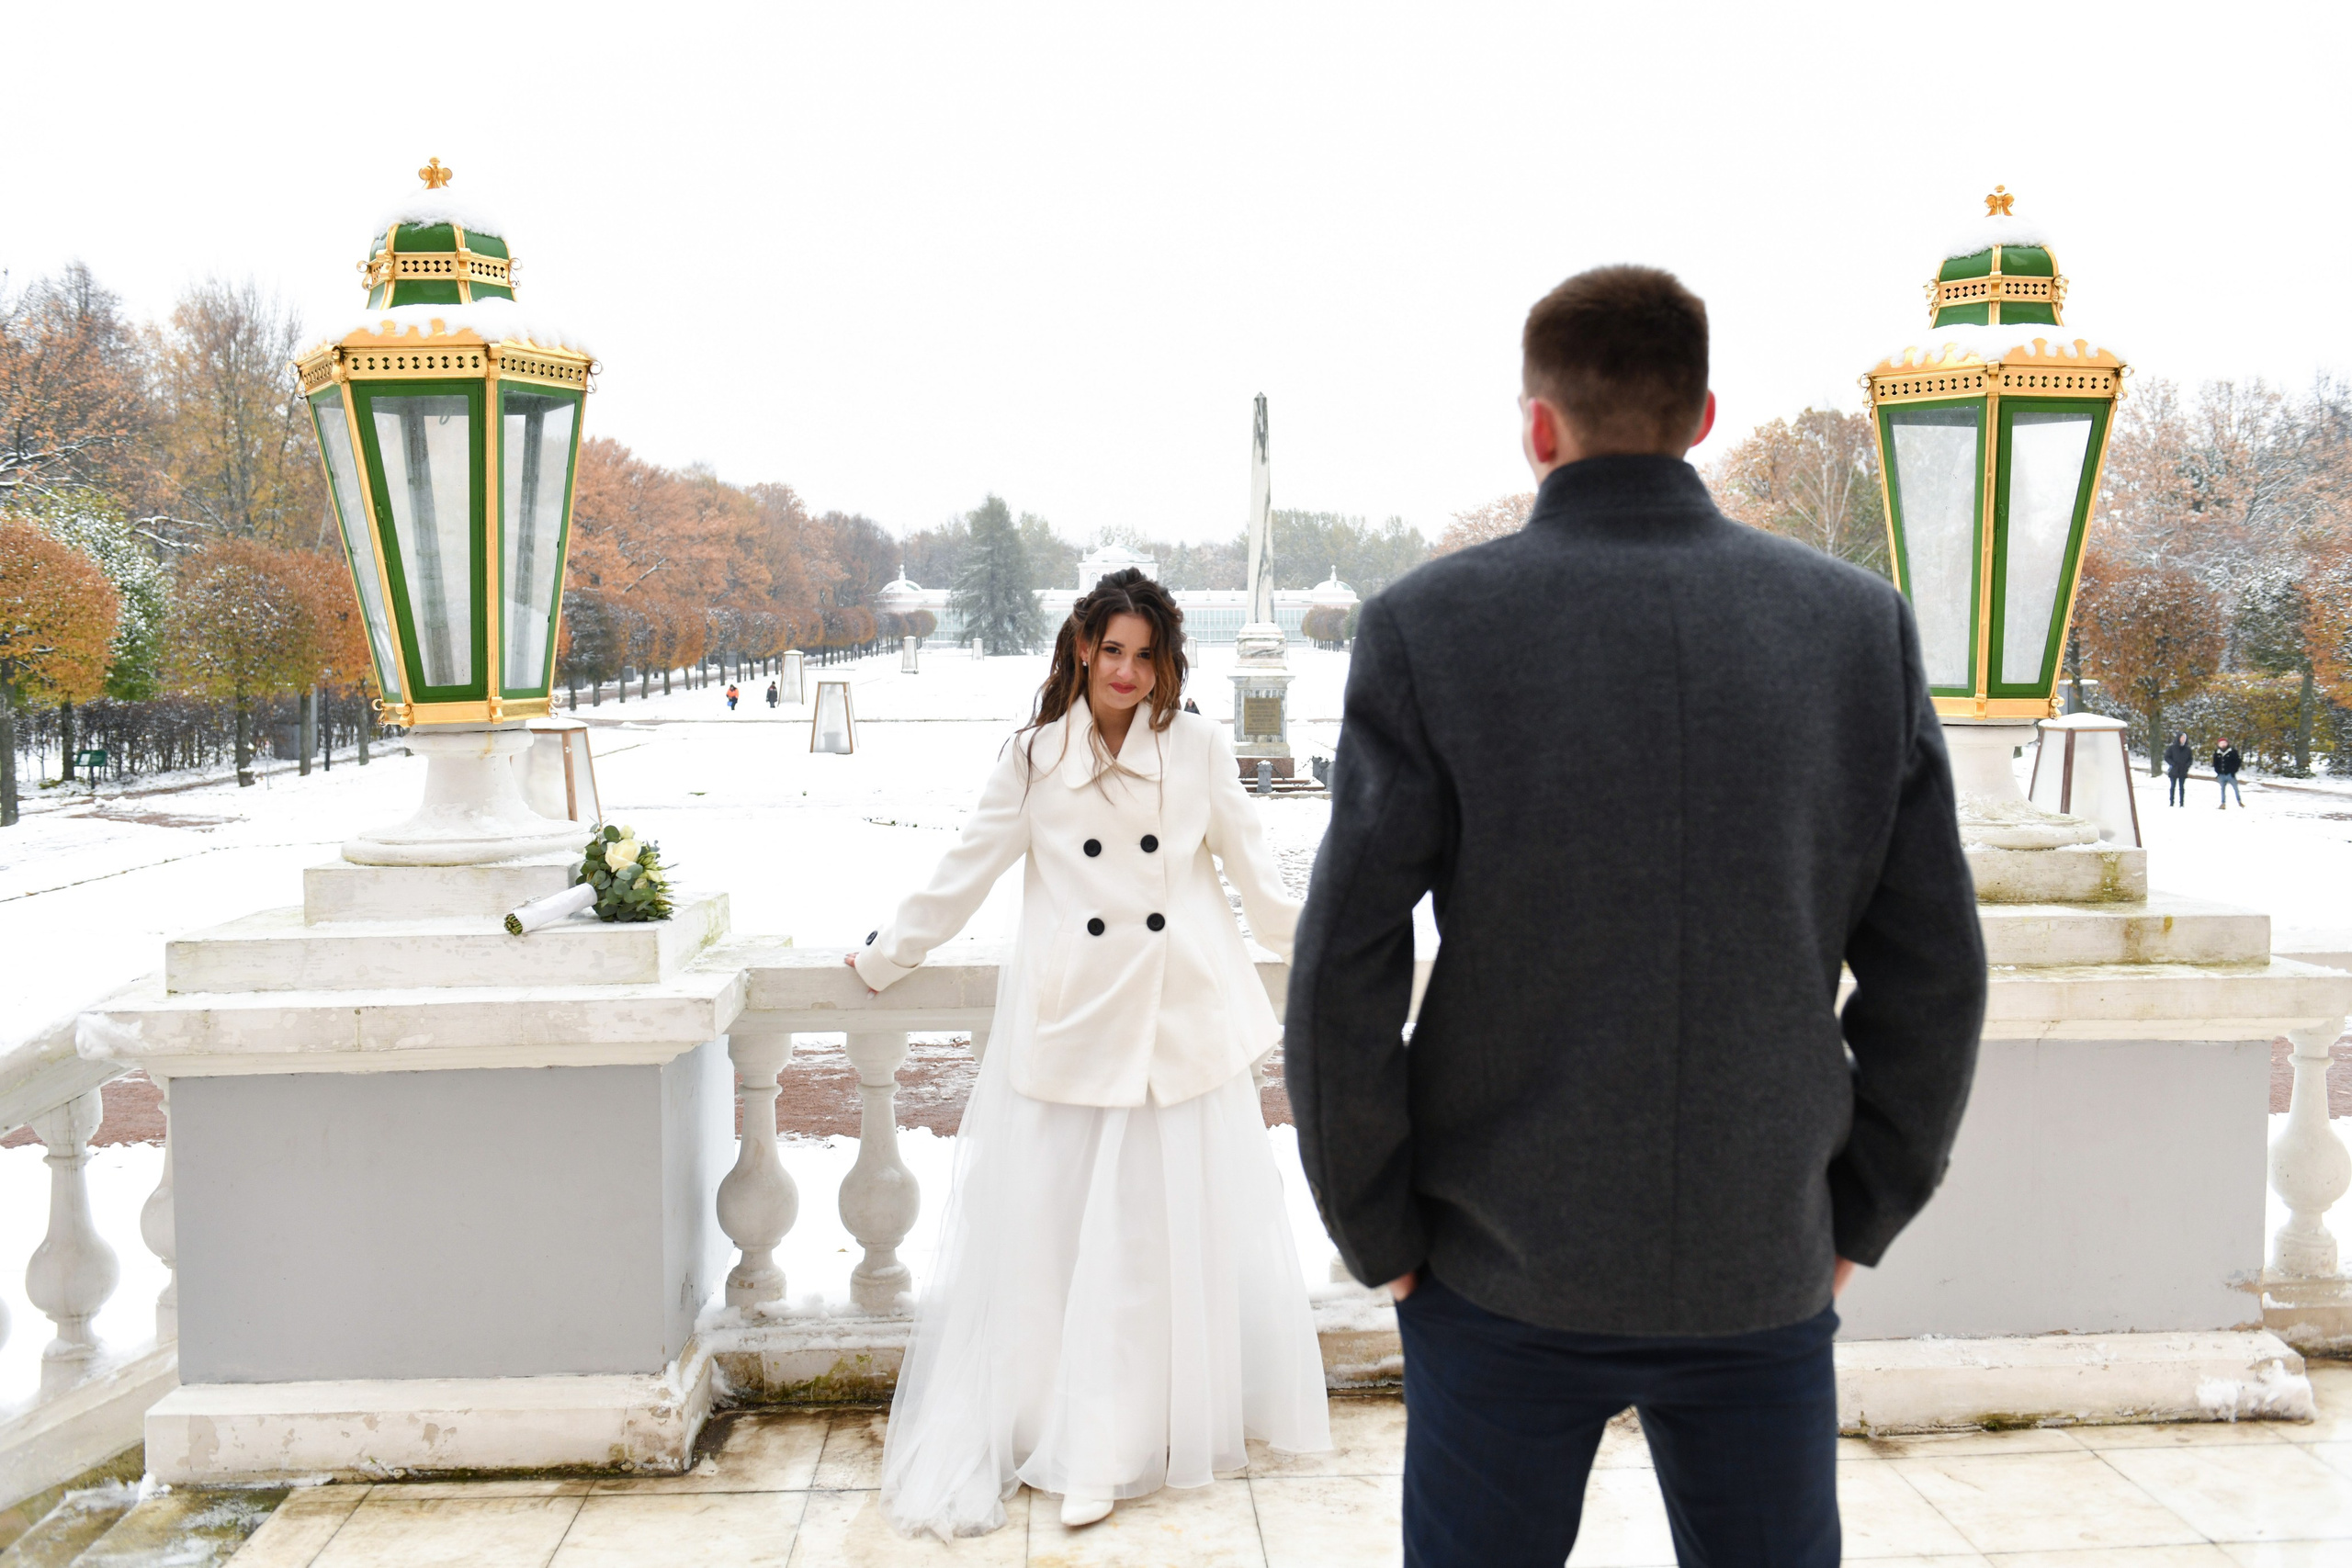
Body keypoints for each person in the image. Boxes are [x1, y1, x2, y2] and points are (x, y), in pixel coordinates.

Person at [1286, 265, 1985, 1568]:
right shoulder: (1855, 628)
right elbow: (1936, 972)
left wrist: (1378, 1229)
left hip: (1497, 1259)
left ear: (1538, 426)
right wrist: (1857, 1212)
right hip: (1760, 1253)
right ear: (1705, 413)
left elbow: (1343, 970)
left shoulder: (1430, 625)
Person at [849, 569, 1330, 1539]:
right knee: (1064, 1245)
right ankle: (1068, 1435)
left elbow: (1253, 871)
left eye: (1145, 655)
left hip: (1174, 1033)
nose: (1126, 670)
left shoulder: (1197, 747)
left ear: (1166, 663)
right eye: (1111, 650)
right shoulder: (1031, 760)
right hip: (1074, 1028)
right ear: (1080, 648)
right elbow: (964, 871)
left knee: (1154, 1247)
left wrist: (1331, 948)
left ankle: (1121, 1439)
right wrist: (886, 954)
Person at [2164, 731, 2193, 807]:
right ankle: (2172, 802)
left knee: (2182, 787)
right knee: (2173, 786)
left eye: (2184, 738)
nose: (2183, 739)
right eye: (2182, 738)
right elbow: (2167, 757)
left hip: (2183, 770)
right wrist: (2172, 764)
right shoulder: (2172, 748)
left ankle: (2181, 803)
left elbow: (2190, 759)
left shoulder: (2188, 749)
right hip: (2174, 770)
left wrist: (2187, 765)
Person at [2215, 737, 2244, 807]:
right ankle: (2223, 803)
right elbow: (2215, 763)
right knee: (2222, 790)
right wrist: (2218, 771)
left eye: (2224, 743)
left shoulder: (2232, 752)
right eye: (2221, 743)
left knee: (2235, 788)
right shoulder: (2217, 753)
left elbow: (2238, 762)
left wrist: (2234, 771)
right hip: (2221, 774)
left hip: (2230, 774)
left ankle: (2239, 802)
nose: (2223, 745)